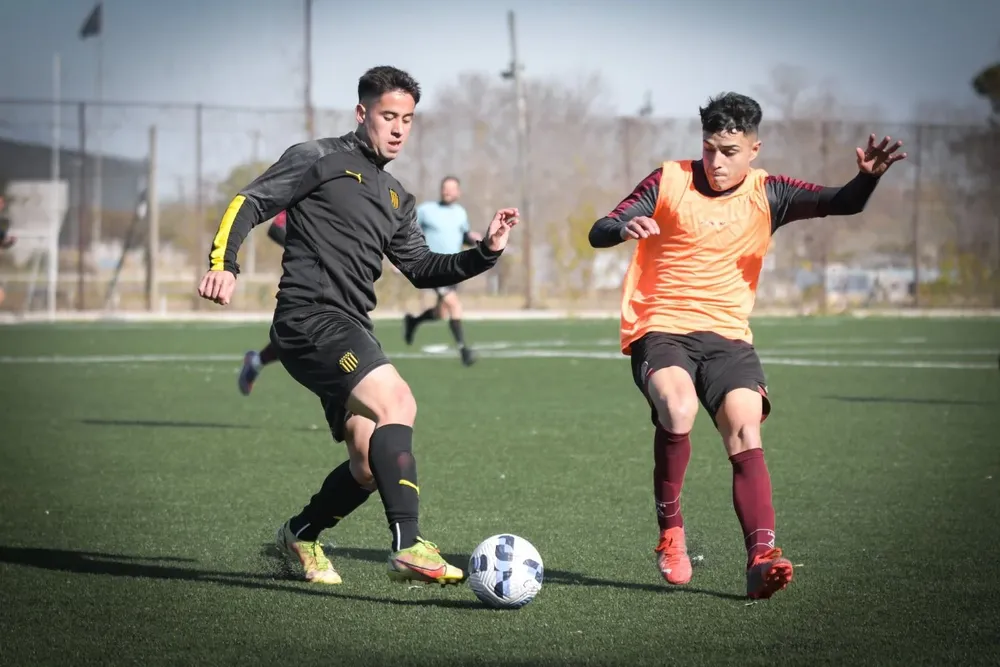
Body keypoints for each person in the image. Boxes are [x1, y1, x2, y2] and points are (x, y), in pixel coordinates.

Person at [197, 66, 518, 586]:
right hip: (309, 319)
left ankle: (301, 533)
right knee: (399, 403)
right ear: (362, 112)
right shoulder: (318, 158)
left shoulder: (397, 197)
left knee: (369, 463)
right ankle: (408, 544)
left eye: (407, 120)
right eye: (388, 116)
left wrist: (485, 252)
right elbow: (249, 201)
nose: (398, 129)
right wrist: (223, 263)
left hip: (351, 326)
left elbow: (423, 268)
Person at [588, 92, 905, 600]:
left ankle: (761, 558)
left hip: (729, 337)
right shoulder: (668, 178)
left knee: (744, 424)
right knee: (679, 406)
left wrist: (868, 176)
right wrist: (624, 227)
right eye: (710, 148)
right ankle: (671, 533)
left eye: (730, 152)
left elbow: (841, 202)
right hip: (661, 326)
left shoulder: (770, 192)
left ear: (754, 149)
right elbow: (599, 228)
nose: (717, 161)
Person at [402, 175, 481, 365]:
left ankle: (414, 321)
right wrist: (403, 257)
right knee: (454, 305)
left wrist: (475, 241)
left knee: (441, 313)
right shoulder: (426, 210)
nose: (447, 191)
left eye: (451, 188)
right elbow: (406, 229)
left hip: (453, 267)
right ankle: (464, 350)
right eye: (444, 187)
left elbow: (462, 236)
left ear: (458, 192)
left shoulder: (460, 213)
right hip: (433, 265)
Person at [237, 209, 289, 395]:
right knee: (294, 336)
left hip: (339, 279)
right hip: (308, 278)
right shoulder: (310, 188)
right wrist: (306, 250)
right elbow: (276, 228)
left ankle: (256, 362)